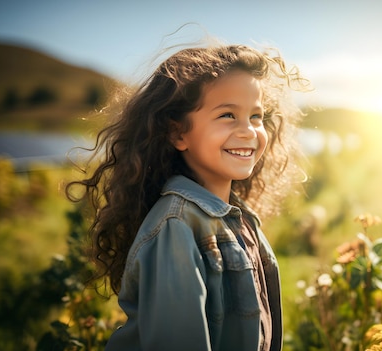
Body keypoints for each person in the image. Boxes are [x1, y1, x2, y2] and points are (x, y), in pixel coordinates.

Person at [67, 41, 310, 350]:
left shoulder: (237, 217)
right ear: (178, 133)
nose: (248, 131)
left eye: (256, 116)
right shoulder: (176, 226)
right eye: (227, 115)